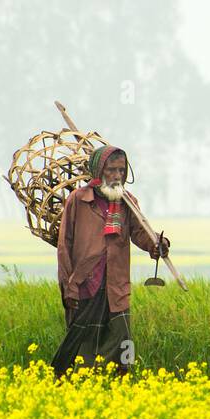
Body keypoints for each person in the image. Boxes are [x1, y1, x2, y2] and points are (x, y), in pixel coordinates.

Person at [51, 145, 169, 378]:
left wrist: (157, 245)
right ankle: (79, 385)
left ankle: (122, 385)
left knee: (123, 342)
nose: (117, 176)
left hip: (117, 286)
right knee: (83, 344)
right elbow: (64, 246)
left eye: (121, 171)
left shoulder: (128, 202)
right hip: (85, 285)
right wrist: (68, 286)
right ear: (98, 172)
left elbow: (140, 232)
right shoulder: (79, 200)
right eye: (111, 170)